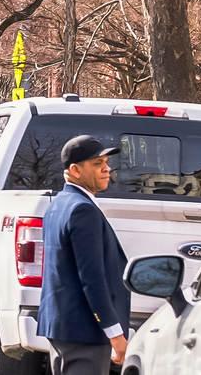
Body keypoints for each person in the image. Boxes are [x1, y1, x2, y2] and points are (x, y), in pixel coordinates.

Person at [38, 135, 131, 375]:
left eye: (106, 163)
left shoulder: (59, 205)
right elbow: (92, 278)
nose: (106, 169)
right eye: (97, 164)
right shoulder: (82, 210)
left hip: (63, 327)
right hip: (85, 332)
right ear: (75, 170)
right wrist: (115, 333)